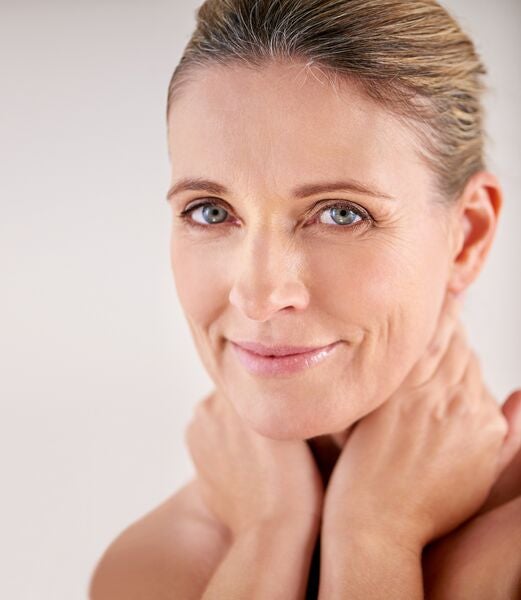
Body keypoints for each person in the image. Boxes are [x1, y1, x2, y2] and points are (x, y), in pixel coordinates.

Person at [89, 0, 521, 598]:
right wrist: (273, 531)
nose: (260, 294)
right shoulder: (152, 569)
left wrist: (375, 532)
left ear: (467, 234)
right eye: (210, 212)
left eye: (341, 215)